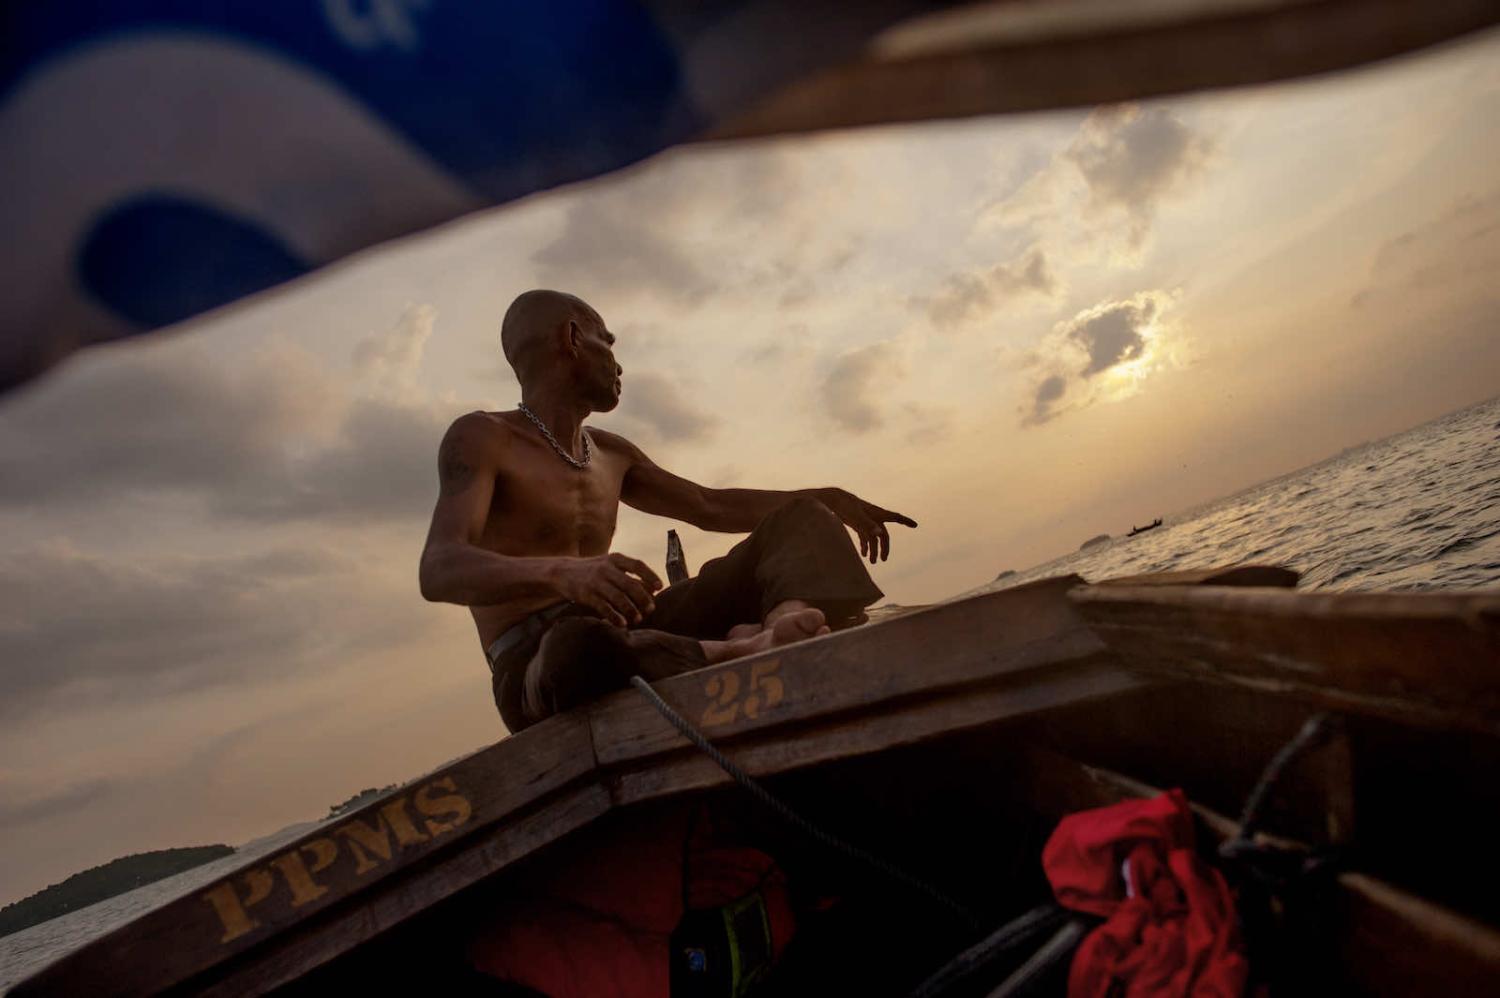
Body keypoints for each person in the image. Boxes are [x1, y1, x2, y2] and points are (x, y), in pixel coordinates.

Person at [419, 290, 917, 732]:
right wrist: (563, 574)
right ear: (571, 337)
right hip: (539, 663)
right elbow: (439, 568)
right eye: (607, 342)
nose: (618, 364)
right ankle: (747, 649)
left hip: (633, 631)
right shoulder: (484, 437)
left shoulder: (611, 452)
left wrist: (828, 499)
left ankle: (785, 624)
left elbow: (709, 506)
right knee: (580, 645)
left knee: (802, 518)